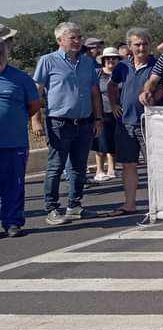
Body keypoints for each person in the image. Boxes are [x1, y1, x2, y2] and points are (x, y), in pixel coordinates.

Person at [31, 22, 104, 225]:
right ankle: (52, 208)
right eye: (73, 37)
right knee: (56, 166)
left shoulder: (87, 62)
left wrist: (98, 118)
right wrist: (35, 120)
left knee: (79, 167)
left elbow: (94, 92)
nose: (78, 41)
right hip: (58, 123)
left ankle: (74, 206)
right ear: (59, 40)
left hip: (84, 123)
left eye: (79, 37)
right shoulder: (47, 61)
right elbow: (36, 92)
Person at [107, 28, 157, 217]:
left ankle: (157, 204)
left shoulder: (157, 64)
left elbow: (161, 87)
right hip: (125, 123)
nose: (141, 48)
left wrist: (154, 98)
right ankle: (129, 204)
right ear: (130, 46)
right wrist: (113, 104)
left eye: (145, 44)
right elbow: (111, 85)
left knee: (154, 165)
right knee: (128, 165)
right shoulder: (122, 66)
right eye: (137, 44)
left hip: (149, 123)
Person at [0, 24, 42, 237]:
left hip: (13, 141)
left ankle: (12, 222)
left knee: (14, 185)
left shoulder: (20, 78)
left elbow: (33, 105)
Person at [91, 47, 122, 183]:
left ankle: (112, 169)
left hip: (118, 113)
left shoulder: (121, 74)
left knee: (114, 142)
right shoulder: (97, 73)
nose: (111, 60)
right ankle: (99, 170)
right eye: (108, 58)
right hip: (101, 113)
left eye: (114, 58)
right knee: (101, 143)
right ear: (103, 60)